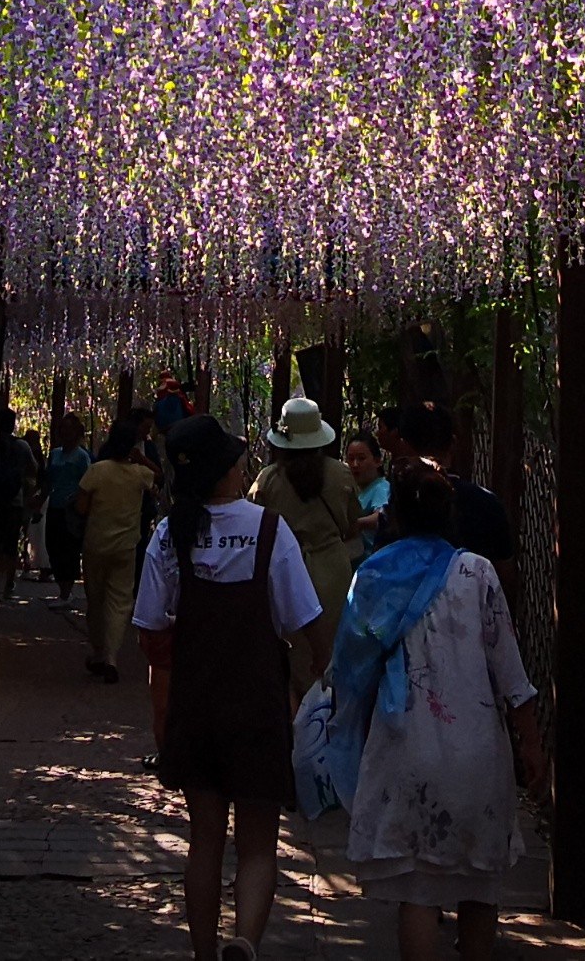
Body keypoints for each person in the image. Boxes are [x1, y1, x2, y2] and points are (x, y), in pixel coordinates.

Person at [320, 465, 548, 961]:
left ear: (394, 514)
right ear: (450, 513)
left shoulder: (375, 575)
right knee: (479, 887)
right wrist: (532, 746)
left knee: (419, 893)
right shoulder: (477, 572)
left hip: (405, 746)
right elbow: (511, 673)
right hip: (477, 752)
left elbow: (349, 668)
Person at [135, 415, 331, 961]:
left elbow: (151, 630)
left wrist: (161, 706)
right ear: (228, 469)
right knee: (258, 844)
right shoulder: (269, 529)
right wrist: (321, 667)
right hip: (256, 704)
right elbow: (304, 619)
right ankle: (244, 939)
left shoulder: (169, 534)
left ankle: (203, 954)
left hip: (196, 705)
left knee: (204, 840)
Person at [250, 395, 361, 690]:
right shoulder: (341, 474)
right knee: (333, 644)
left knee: (291, 648)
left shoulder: (267, 479)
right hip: (333, 568)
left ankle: (293, 717)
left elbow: (256, 526)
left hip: (284, 568)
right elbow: (351, 525)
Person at [75, 418, 155, 681]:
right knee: (120, 602)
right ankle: (110, 657)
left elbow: (81, 508)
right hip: (126, 546)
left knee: (95, 599)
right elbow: (160, 478)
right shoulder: (139, 474)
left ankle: (99, 652)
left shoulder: (96, 471)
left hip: (96, 544)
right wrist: (140, 459)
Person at [390, 398, 512, 568]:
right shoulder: (487, 504)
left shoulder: (398, 500)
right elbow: (503, 574)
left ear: (403, 446)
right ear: (452, 443)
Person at [0, 411, 35, 601]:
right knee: (10, 546)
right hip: (15, 501)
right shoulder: (22, 446)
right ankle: (8, 586)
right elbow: (34, 469)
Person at [44, 412, 93, 603]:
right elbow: (49, 480)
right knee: (53, 545)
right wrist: (41, 498)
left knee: (69, 548)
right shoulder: (55, 454)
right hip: (55, 506)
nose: (65, 432)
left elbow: (88, 481)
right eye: (62, 428)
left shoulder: (82, 457)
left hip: (71, 510)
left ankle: (67, 591)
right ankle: (61, 587)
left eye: (69, 429)